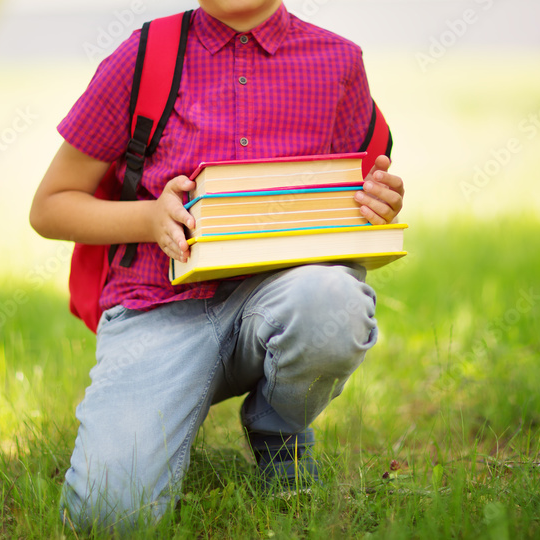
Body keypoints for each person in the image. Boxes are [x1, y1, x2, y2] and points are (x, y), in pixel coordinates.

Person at [29, 0, 404, 532]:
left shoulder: (337, 61)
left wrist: (379, 206)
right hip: (157, 310)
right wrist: (149, 218)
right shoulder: (144, 57)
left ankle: (279, 431)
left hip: (281, 304)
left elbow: (352, 210)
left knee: (333, 302)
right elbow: (49, 206)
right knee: (110, 520)